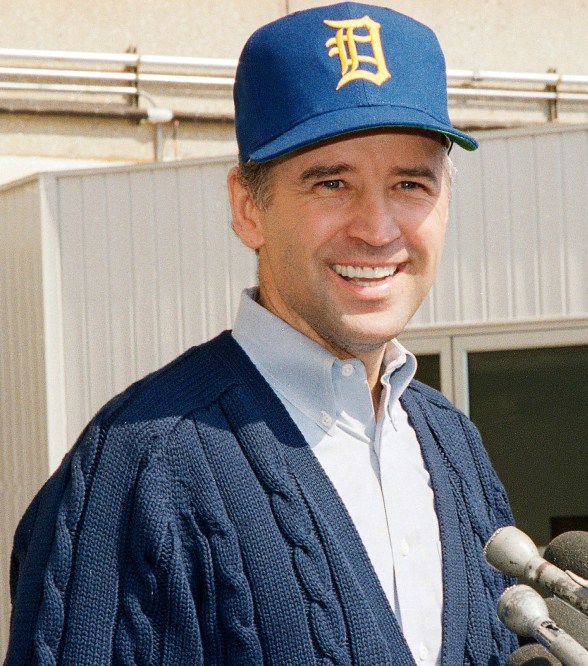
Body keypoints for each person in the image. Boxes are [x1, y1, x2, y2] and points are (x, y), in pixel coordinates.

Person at [5, 4, 517, 665]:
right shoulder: (138, 470)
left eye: (410, 184)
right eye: (331, 183)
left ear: (446, 203)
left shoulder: (454, 447)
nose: (377, 226)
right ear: (249, 209)